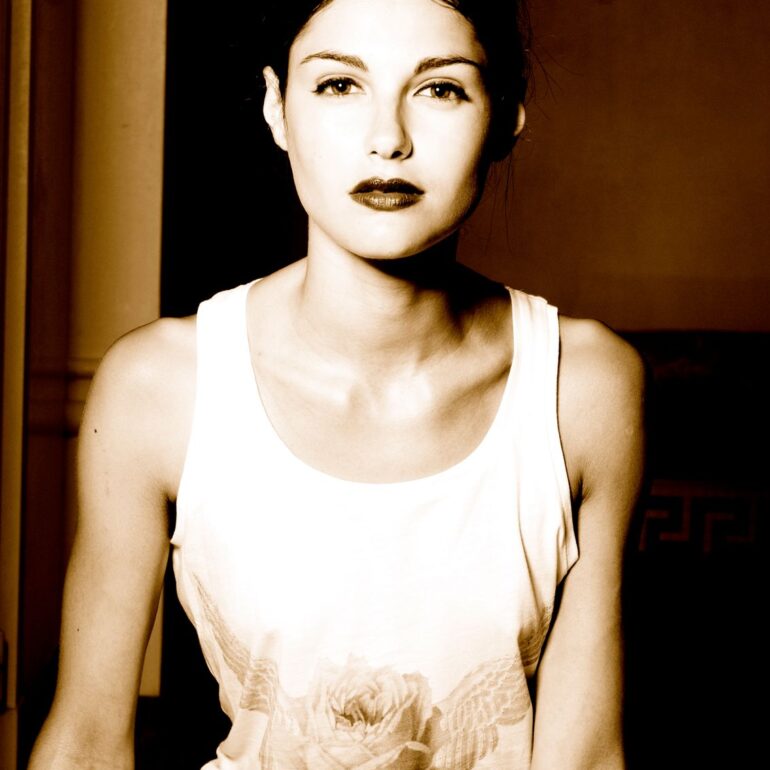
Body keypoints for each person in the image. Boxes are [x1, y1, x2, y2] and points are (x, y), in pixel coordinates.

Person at [29, 0, 645, 767]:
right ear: (276, 107)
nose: (388, 139)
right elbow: (85, 741)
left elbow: (586, 754)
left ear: (504, 117)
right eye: (339, 85)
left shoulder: (583, 388)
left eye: (441, 88)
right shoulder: (160, 387)